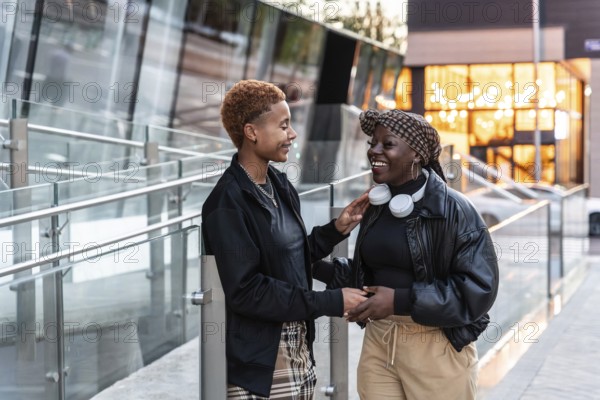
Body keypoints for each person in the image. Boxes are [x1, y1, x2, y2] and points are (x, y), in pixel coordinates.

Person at [201, 79, 370, 399]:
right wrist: (331, 300)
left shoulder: (279, 185)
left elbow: (291, 255)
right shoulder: (226, 204)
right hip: (261, 363)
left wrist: (337, 229)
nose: (292, 134)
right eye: (283, 125)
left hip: (298, 345)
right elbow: (247, 291)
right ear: (251, 132)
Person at [317, 109, 499, 399]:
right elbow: (372, 276)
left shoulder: (455, 210)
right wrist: (312, 259)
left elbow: (477, 291)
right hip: (379, 340)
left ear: (416, 154)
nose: (374, 150)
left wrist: (399, 300)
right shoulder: (377, 205)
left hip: (436, 344)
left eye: (387, 144)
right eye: (372, 143)